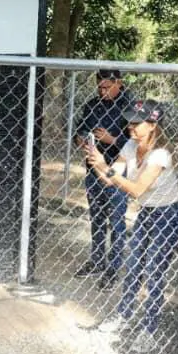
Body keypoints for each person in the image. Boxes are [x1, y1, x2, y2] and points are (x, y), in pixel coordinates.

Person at [84, 98, 178, 354]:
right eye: (129, 122)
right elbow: (111, 179)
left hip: (169, 215)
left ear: (152, 125)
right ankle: (124, 314)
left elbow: (137, 189)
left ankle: (149, 330)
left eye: (136, 123)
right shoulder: (130, 145)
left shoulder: (160, 154)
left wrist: (106, 170)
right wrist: (97, 163)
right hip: (147, 213)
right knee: (133, 267)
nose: (130, 126)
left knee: (153, 271)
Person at [74, 69, 130, 290]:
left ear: (119, 83)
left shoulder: (130, 106)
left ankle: (113, 269)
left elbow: (136, 143)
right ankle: (97, 261)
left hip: (118, 170)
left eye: (107, 87)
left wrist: (112, 139)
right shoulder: (92, 105)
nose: (102, 91)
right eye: (99, 87)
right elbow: (80, 130)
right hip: (92, 169)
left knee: (116, 221)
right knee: (96, 217)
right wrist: (81, 140)